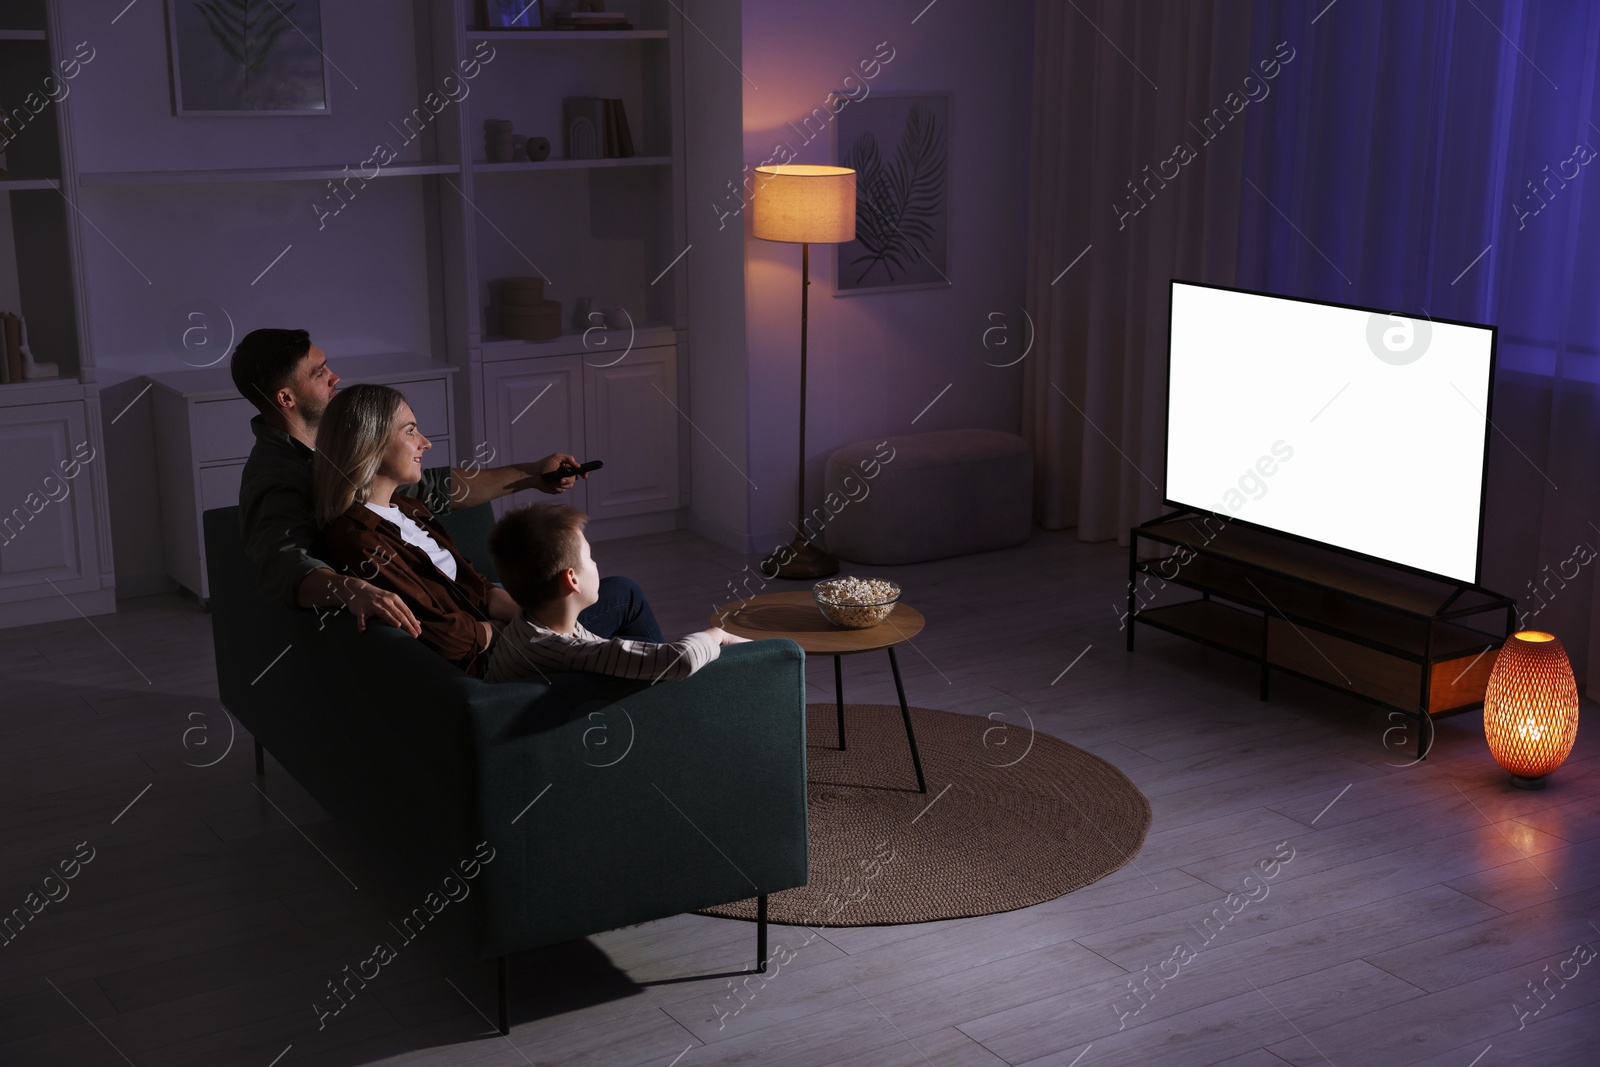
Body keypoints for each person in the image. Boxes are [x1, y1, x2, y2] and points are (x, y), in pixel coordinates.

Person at [231, 328, 655, 641]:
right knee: (623, 595)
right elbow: (283, 567)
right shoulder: (280, 478)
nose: (334, 377)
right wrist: (355, 588)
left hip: (473, 598)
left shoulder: (330, 450)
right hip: (468, 622)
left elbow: (431, 489)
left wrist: (531, 475)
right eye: (319, 372)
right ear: (286, 398)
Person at [313, 384, 523, 674]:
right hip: (485, 658)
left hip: (500, 621)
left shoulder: (406, 507)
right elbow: (446, 639)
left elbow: (476, 586)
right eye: (410, 431)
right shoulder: (359, 539)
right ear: (370, 442)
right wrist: (507, 630)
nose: (425, 443)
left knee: (598, 595)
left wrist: (529, 616)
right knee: (607, 603)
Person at [483, 502, 747, 684]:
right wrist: (718, 634)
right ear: (572, 580)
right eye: (590, 557)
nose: (596, 565)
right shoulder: (567, 651)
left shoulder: (528, 624)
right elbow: (681, 659)